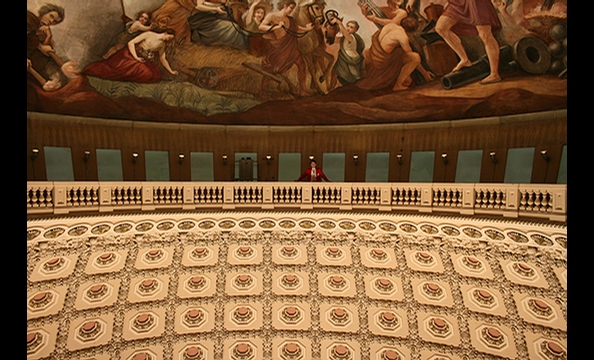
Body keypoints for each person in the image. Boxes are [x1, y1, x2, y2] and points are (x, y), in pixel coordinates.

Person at [358, 15, 433, 91]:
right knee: (416, 58)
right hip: (383, 61)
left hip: (375, 54)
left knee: (400, 52)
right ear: (412, 31)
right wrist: (425, 73)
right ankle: (398, 85)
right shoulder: (402, 37)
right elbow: (411, 56)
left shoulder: (391, 25)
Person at [435, 0, 502, 84]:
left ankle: (494, 73)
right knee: (441, 28)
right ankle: (464, 59)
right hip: (459, 2)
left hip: (477, 2)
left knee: (485, 34)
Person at [258, 0, 314, 97]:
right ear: (284, 6)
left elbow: (296, 28)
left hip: (291, 48)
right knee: (271, 68)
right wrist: (276, 27)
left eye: (293, 8)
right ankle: (262, 91)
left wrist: (307, 29)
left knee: (302, 64)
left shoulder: (291, 19)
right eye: (291, 7)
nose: (292, 10)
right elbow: (261, 27)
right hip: (280, 48)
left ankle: (303, 91)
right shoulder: (272, 16)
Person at [83, 29, 178, 83]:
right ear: (166, 33)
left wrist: (171, 71)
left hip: (144, 58)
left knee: (155, 75)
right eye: (169, 37)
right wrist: (136, 57)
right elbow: (131, 43)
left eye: (170, 39)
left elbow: (162, 58)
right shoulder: (149, 34)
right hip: (132, 54)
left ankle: (127, 77)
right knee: (140, 71)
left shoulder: (162, 45)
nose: (168, 39)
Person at [27, 4, 66, 89]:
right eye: (51, 16)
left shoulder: (44, 31)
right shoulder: (30, 19)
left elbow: (45, 51)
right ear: (44, 12)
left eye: (55, 21)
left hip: (37, 60)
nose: (51, 21)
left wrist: (48, 37)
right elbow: (40, 48)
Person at [331, 18, 366, 86]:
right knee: (340, 72)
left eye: (351, 27)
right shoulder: (345, 37)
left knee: (353, 76)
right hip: (344, 58)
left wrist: (339, 23)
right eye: (348, 26)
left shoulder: (351, 37)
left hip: (350, 59)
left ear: (355, 30)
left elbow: (344, 32)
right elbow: (335, 40)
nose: (348, 28)